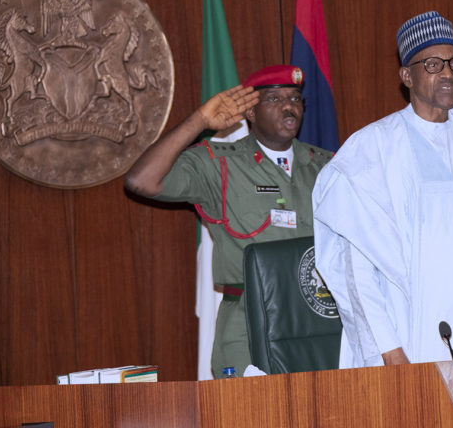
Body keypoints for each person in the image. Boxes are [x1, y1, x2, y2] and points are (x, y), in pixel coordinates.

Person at [312, 11, 453, 368]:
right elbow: (356, 273)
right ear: (406, 76)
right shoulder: (370, 151)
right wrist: (388, 350)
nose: (447, 74)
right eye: (432, 64)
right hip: (412, 340)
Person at [125, 65, 333, 376]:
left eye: (295, 98)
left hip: (316, 315)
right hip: (249, 321)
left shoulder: (327, 166)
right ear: (250, 111)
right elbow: (141, 181)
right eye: (274, 98)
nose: (289, 107)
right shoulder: (219, 164)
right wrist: (199, 121)